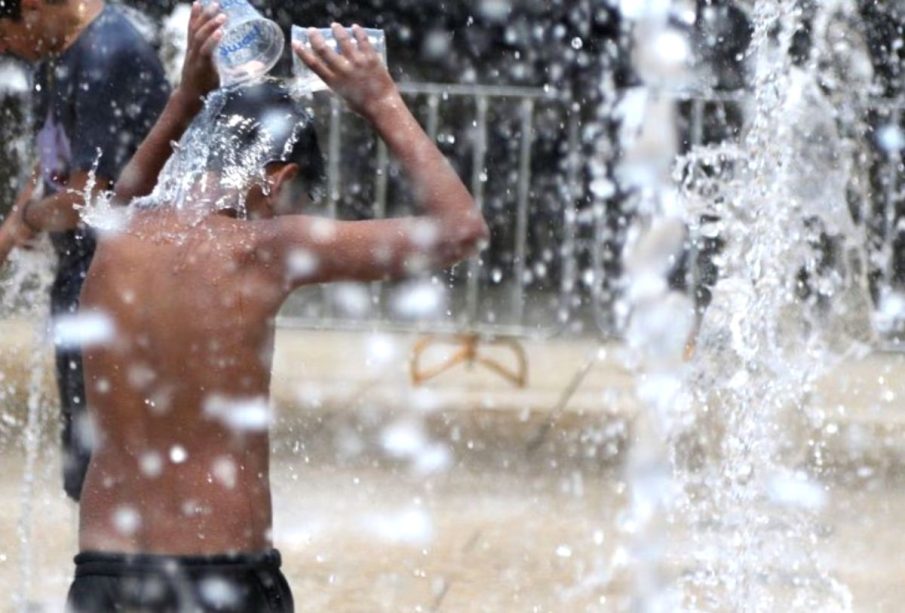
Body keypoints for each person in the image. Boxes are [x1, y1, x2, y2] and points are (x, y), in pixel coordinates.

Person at [61, 4, 488, 610]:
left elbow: (122, 193)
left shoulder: (118, 233)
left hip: (103, 573)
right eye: (296, 196)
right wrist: (379, 99)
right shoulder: (262, 247)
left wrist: (185, 96)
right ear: (275, 177)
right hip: (218, 575)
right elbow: (461, 230)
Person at [0, 0, 170, 501]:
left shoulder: (107, 53)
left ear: (32, 7)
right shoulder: (62, 46)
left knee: (111, 465)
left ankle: (119, 574)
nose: (5, 48)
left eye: (5, 34)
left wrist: (24, 222)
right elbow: (58, 149)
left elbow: (87, 197)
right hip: (89, 273)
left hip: (122, 281)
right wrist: (20, 211)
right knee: (89, 459)